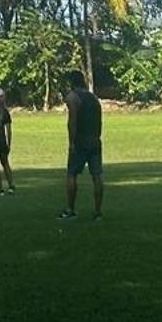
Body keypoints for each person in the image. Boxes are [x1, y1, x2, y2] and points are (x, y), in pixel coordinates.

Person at [59, 71, 103, 220]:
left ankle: (70, 209)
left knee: (71, 174)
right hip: (95, 140)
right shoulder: (93, 97)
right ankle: (97, 212)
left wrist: (71, 142)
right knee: (96, 176)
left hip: (81, 141)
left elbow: (72, 121)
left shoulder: (73, 97)